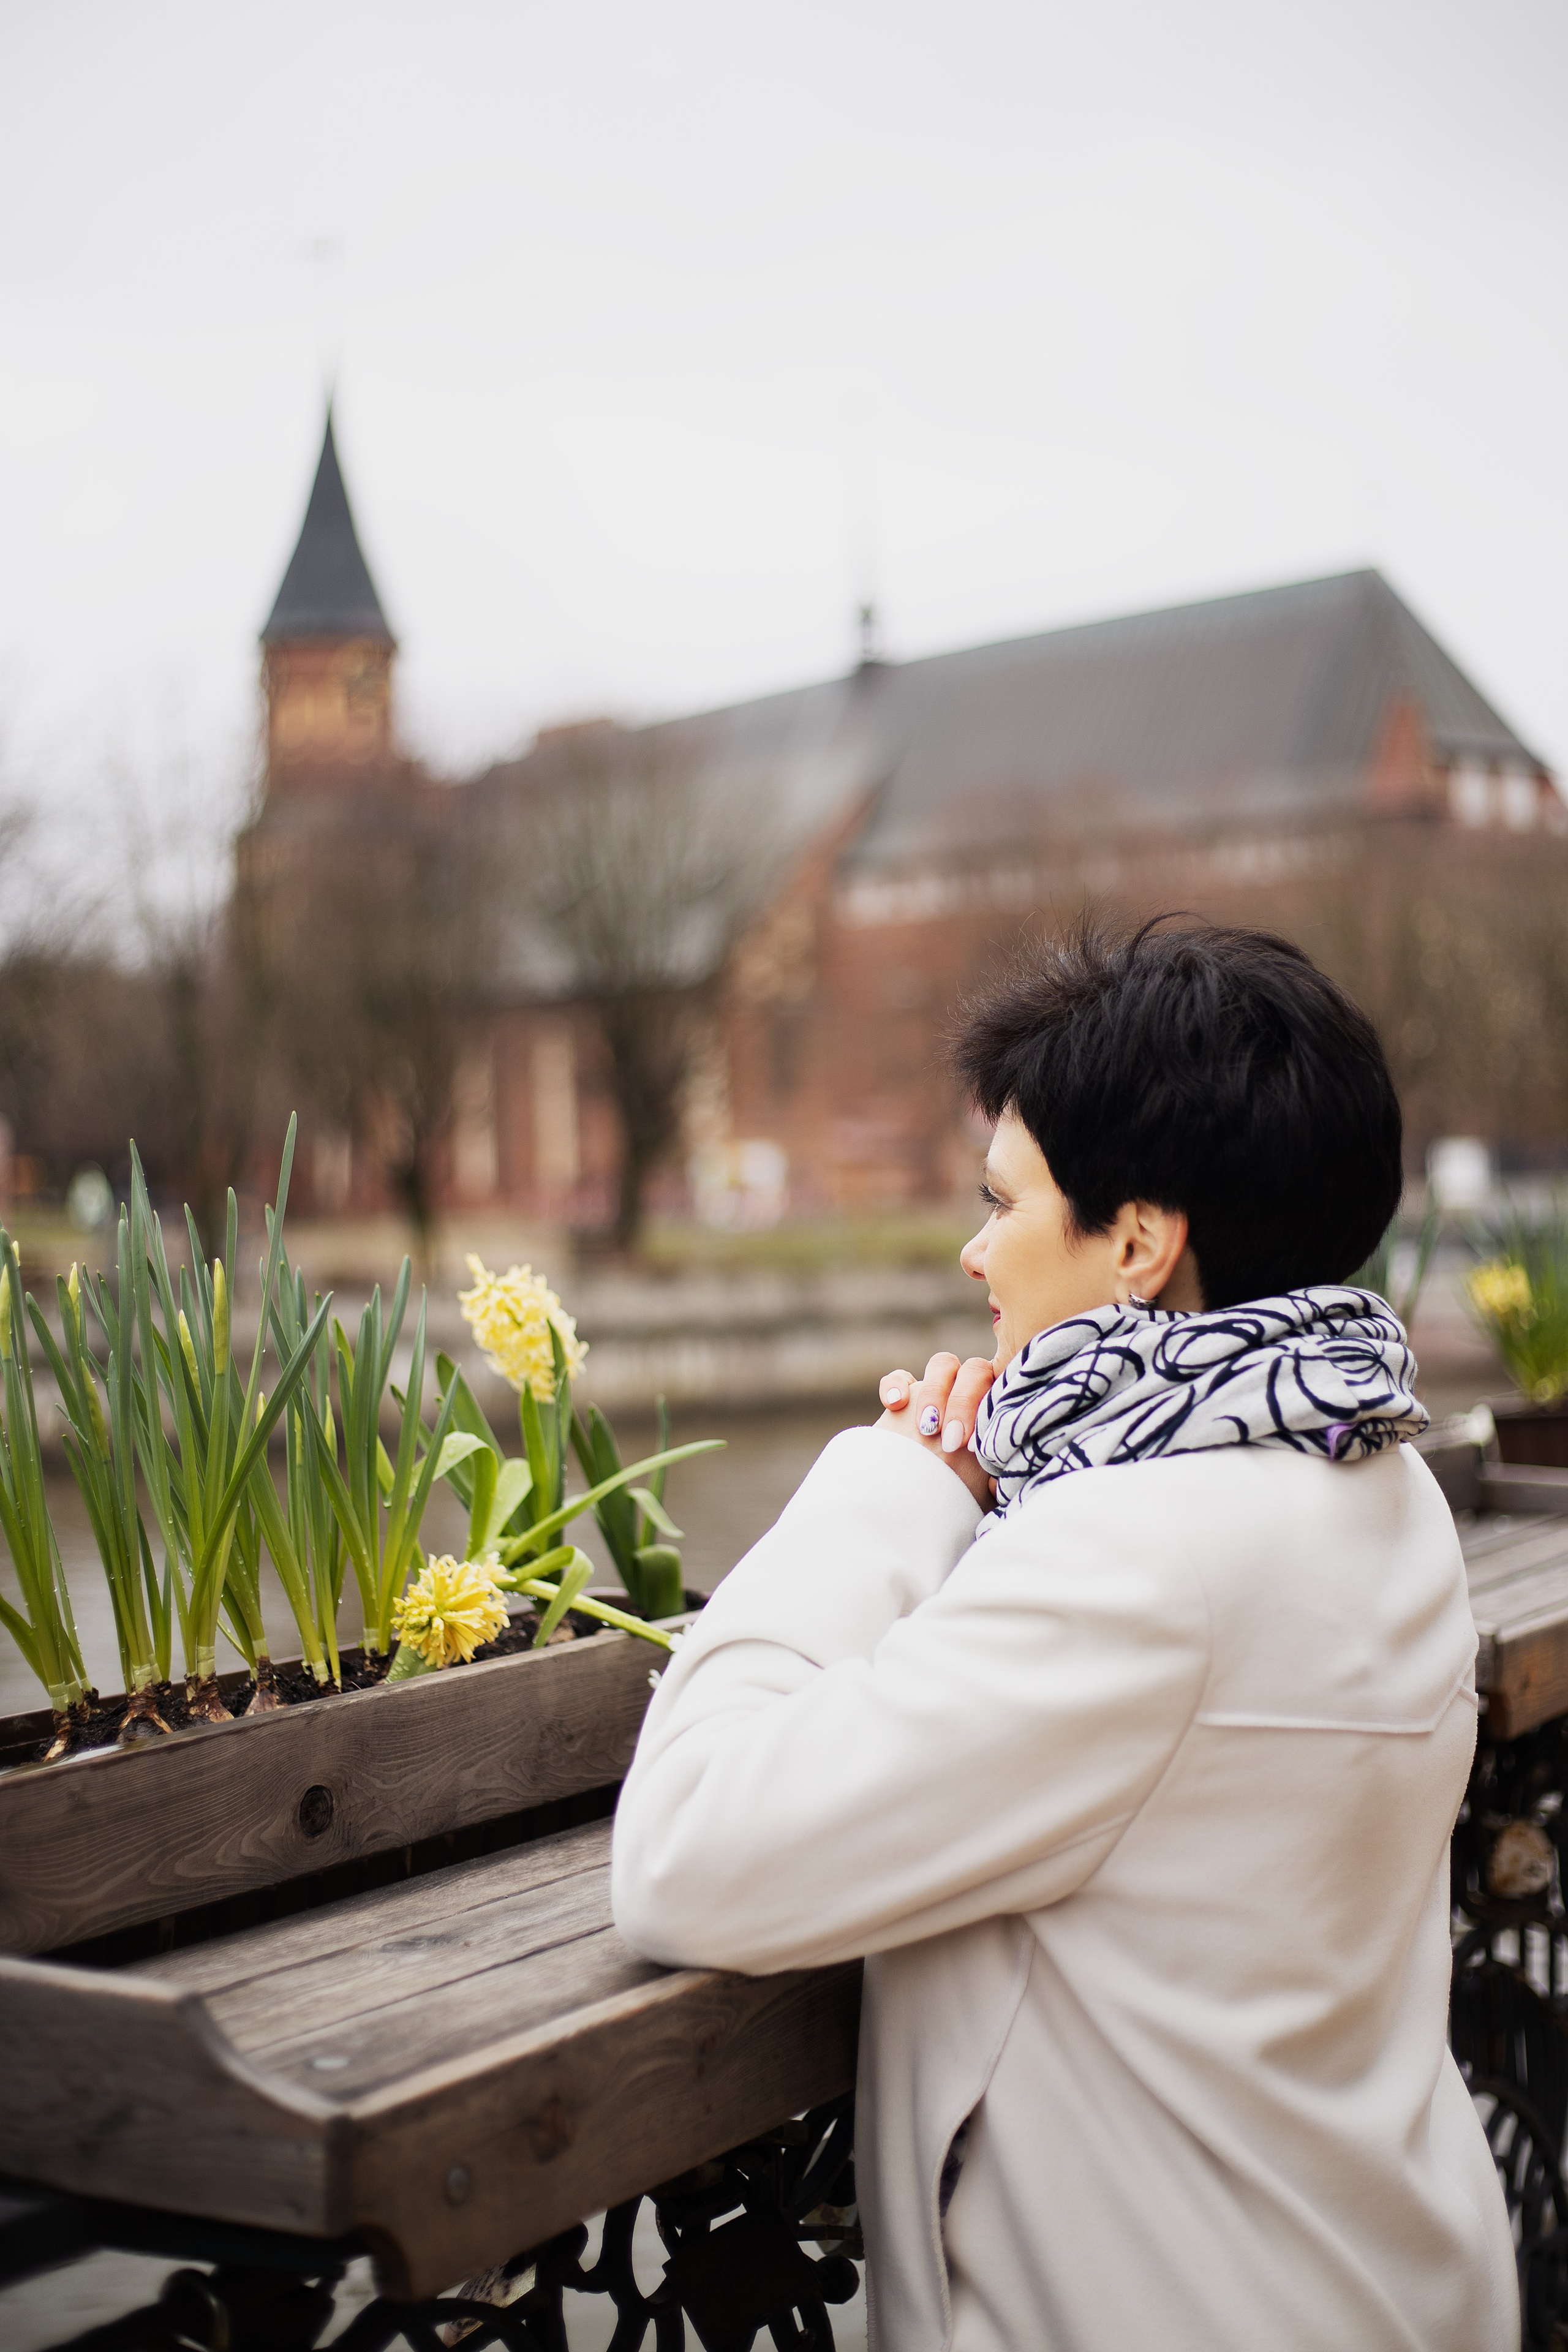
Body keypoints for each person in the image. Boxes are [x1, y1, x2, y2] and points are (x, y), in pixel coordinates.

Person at [611, 917, 1515, 2352]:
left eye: (1001, 1202)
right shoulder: (1368, 1467)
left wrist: (897, 1476)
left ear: (1140, 1241)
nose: (975, 1253)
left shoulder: (1140, 1557)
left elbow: (683, 1855)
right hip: (1377, 2276)